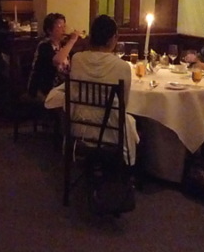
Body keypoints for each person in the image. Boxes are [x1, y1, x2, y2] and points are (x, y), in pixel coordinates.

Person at [69, 15, 140, 166]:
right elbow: (124, 104)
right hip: (109, 131)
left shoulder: (77, 59)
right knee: (134, 123)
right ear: (112, 39)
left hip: (80, 126)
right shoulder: (121, 66)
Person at [27, 13, 80, 100]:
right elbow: (57, 61)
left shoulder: (63, 45)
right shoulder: (44, 46)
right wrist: (72, 41)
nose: (64, 30)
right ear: (49, 30)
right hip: (43, 89)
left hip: (61, 88)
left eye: (64, 26)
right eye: (60, 26)